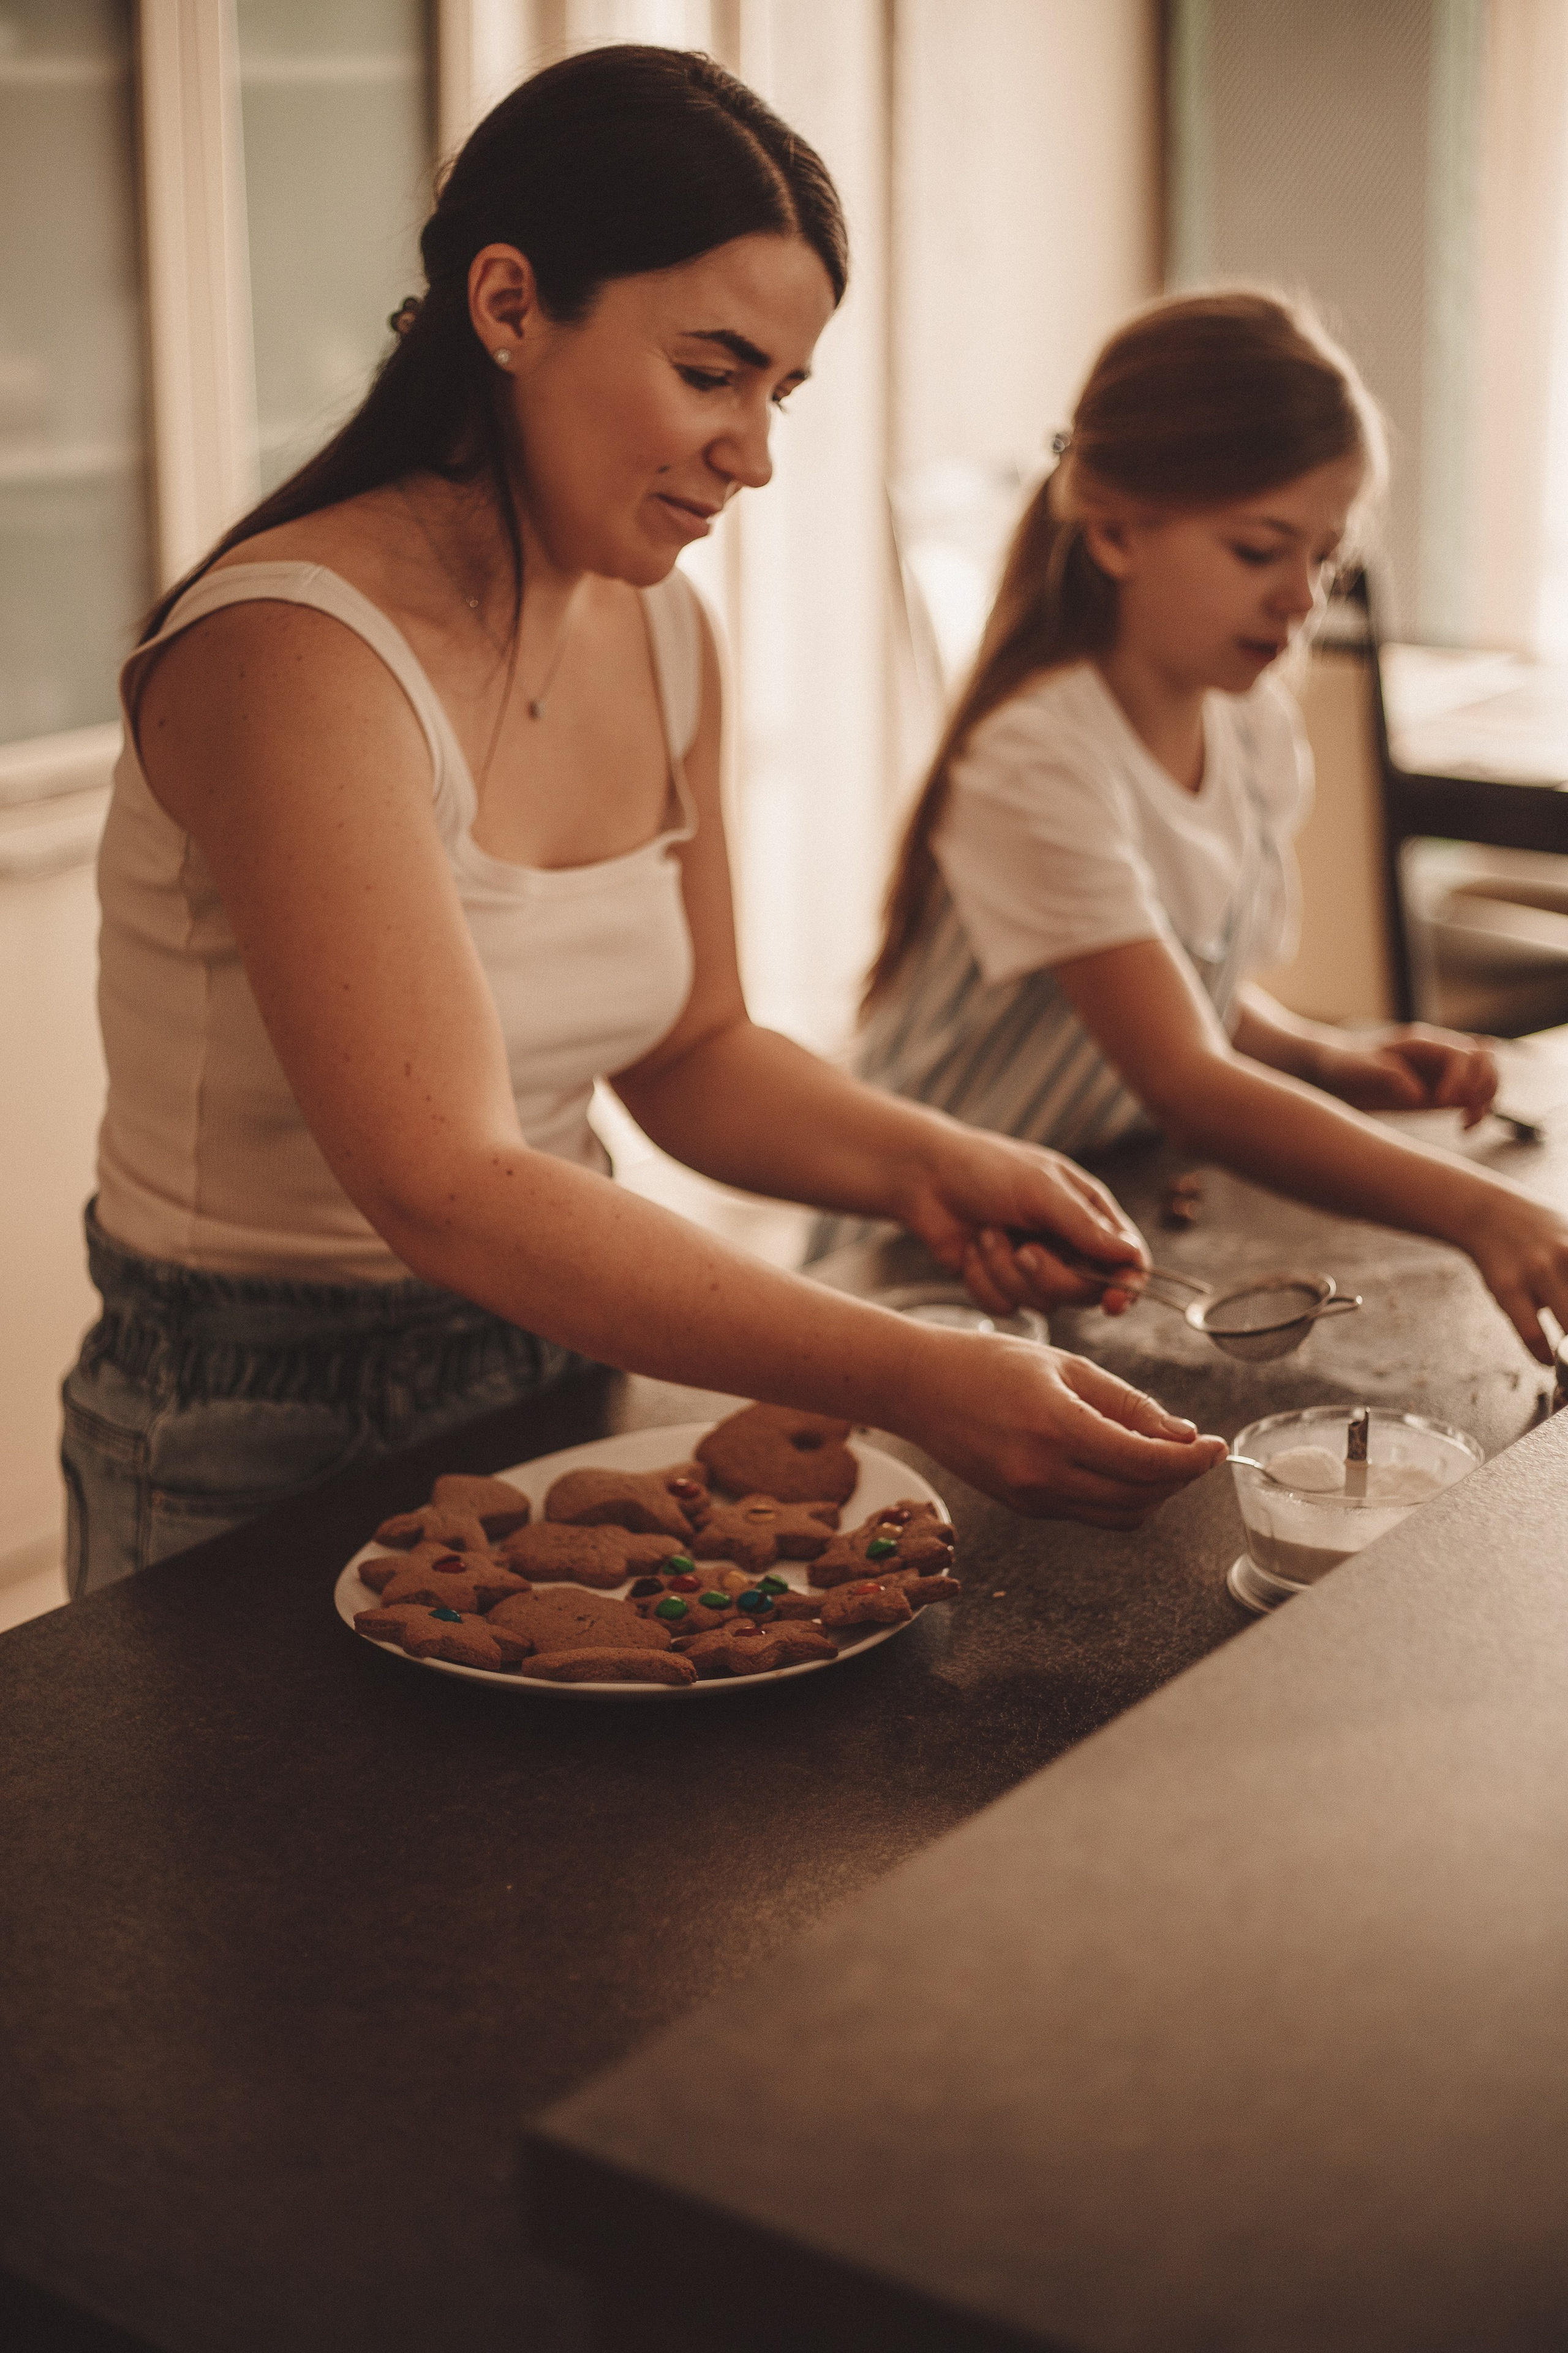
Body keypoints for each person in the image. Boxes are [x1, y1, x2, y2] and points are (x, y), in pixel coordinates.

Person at [62, 46, 1226, 1595]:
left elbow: (691, 1051)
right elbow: (448, 1183)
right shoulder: (295, 655)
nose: (753, 453)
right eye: (710, 371)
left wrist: (932, 1167)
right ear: (506, 306)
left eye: (779, 391)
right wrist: (913, 1371)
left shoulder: (659, 629)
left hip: (554, 1359)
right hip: (251, 1419)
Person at [827, 289, 1568, 1358]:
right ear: (1120, 530)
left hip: (1096, 1214)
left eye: (1321, 556)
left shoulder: (1253, 725)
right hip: (927, 1254)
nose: (1302, 599)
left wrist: (1323, 1056)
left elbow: (1185, 986)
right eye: (1260, 550)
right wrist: (1484, 1212)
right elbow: (1183, 1076)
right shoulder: (1037, 756)